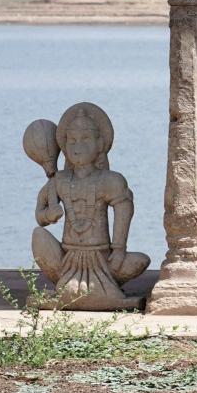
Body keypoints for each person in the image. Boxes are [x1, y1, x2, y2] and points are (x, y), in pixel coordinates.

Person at [30, 102, 149, 310]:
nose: (78, 147)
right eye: (72, 141)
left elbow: (124, 209)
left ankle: (85, 289)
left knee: (140, 261)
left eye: (86, 139)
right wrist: (49, 214)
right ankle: (77, 287)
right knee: (38, 236)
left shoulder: (111, 180)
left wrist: (119, 250)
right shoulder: (59, 180)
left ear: (100, 144)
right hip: (67, 258)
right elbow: (39, 215)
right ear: (64, 146)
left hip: (103, 258)